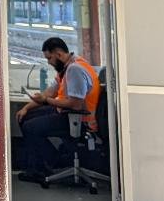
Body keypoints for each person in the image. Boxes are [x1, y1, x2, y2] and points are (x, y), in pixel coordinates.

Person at [15, 36, 101, 182]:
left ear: (59, 54)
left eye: (49, 58)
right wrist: (26, 108)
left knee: (30, 127)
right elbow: (49, 93)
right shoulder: (67, 67)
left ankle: (47, 165)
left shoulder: (75, 70)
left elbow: (76, 104)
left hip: (79, 120)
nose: (49, 62)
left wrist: (48, 101)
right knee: (26, 117)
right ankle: (47, 163)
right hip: (67, 114)